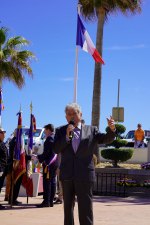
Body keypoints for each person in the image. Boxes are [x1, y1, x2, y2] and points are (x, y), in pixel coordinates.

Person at [53, 103, 116, 225]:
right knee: (68, 210)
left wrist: (112, 129)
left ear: (80, 115)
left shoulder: (91, 130)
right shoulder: (60, 130)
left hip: (85, 175)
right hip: (67, 175)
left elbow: (106, 139)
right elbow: (55, 149)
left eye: (74, 113)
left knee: (86, 209)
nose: (71, 116)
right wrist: (66, 137)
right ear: (66, 117)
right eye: (69, 114)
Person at [36, 124, 58, 207]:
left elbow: (46, 153)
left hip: (49, 164)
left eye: (45, 130)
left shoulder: (49, 139)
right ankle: (50, 201)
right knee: (52, 182)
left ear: (49, 130)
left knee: (47, 183)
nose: (44, 132)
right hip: (54, 163)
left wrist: (38, 157)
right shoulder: (55, 138)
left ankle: (46, 201)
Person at [0, 128, 8, 209]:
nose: (4, 134)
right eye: (2, 132)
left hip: (3, 168)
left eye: (4, 132)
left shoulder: (2, 143)